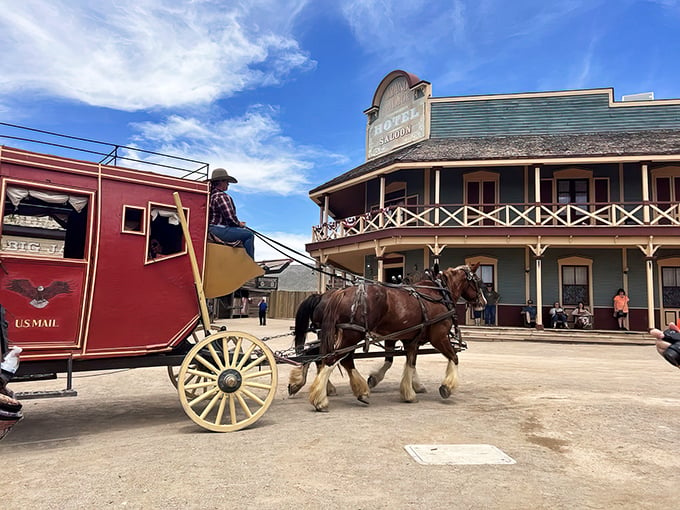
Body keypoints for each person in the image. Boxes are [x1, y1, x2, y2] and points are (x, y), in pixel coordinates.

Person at [208, 168, 255, 259]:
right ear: (221, 182)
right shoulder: (222, 196)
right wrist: (239, 224)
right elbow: (230, 218)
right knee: (249, 235)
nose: (228, 184)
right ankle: (250, 264)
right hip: (219, 229)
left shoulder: (211, 196)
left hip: (212, 229)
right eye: (226, 181)